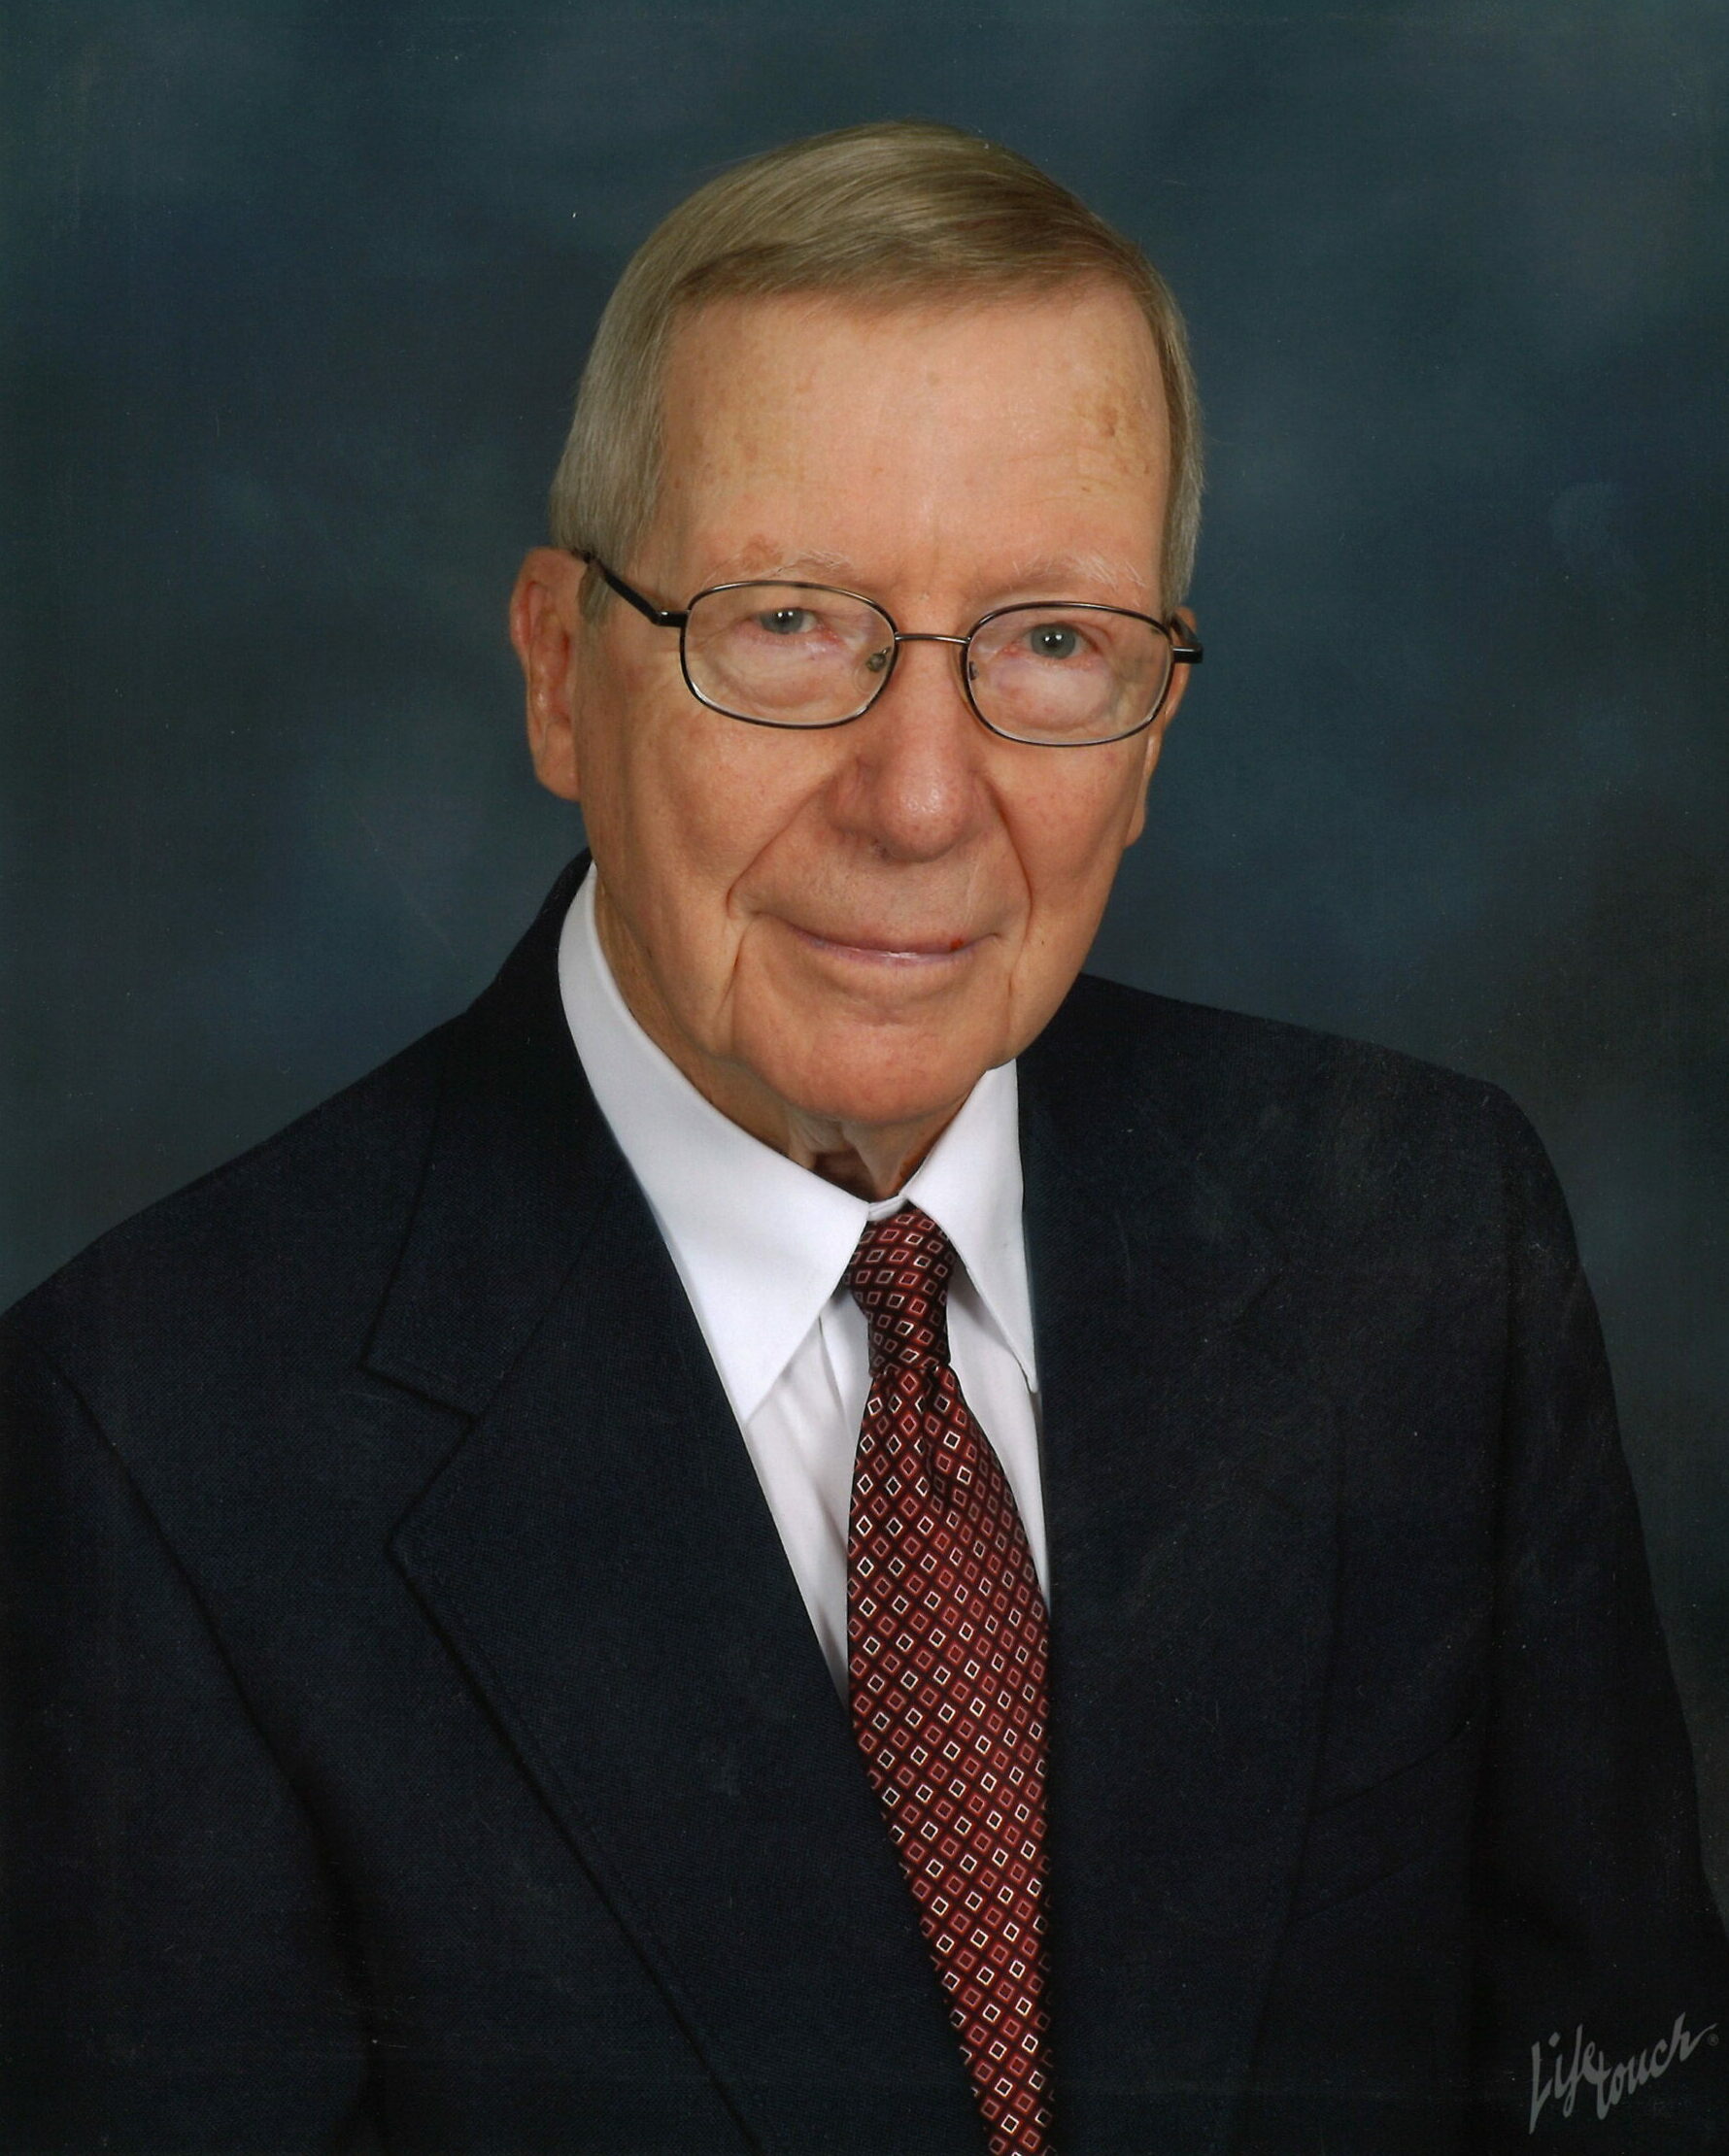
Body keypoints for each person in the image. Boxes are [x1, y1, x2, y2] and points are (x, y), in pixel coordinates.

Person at [3, 119, 1725, 2156]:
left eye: (1052, 642)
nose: (918, 799)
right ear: (558, 675)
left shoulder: (1421, 1246)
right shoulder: (145, 1444)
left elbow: (1622, 2096)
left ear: (1152, 733)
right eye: (787, 623)